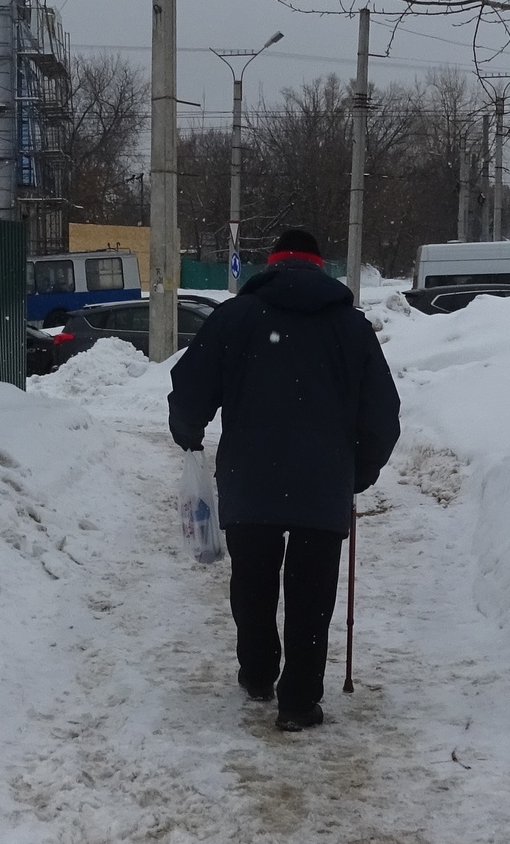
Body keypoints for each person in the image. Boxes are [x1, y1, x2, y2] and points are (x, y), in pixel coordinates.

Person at [167, 228, 401, 732]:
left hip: (250, 478)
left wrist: (189, 434)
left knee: (252, 582)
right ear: (320, 268)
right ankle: (297, 702)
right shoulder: (351, 328)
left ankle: (256, 672)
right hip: (323, 483)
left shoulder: (236, 318)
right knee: (312, 592)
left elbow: (189, 390)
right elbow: (384, 417)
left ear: (271, 265)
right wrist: (357, 476)